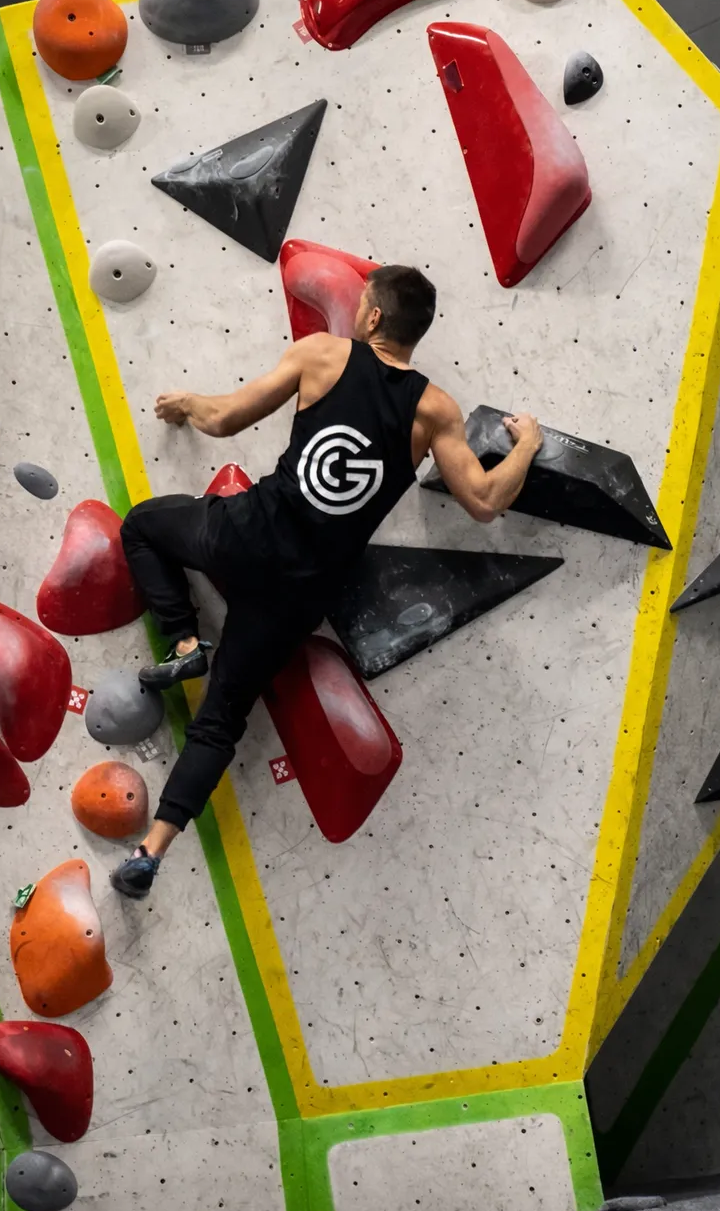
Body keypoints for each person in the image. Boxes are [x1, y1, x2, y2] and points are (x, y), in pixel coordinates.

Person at [111, 265, 542, 898]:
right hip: (295, 593)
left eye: (363, 303)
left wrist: (185, 404)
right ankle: (150, 852)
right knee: (221, 720)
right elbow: (483, 500)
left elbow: (224, 419)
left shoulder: (323, 355)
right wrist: (525, 445)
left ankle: (183, 641)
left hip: (241, 536)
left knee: (142, 527)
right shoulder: (435, 411)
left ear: (373, 317)